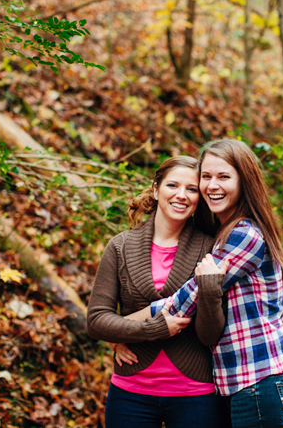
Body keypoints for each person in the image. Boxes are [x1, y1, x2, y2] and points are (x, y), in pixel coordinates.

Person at [150, 139, 283, 428]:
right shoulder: (223, 232)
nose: (212, 185)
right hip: (246, 383)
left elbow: (189, 298)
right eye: (206, 176)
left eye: (224, 176)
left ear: (244, 181)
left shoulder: (245, 235)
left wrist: (133, 323)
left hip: (261, 380)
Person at [86, 156, 227, 428]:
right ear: (155, 189)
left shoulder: (211, 248)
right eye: (172, 185)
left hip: (195, 393)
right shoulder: (120, 247)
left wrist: (210, 289)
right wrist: (152, 329)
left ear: (200, 198)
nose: (181, 195)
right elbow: (96, 322)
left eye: (192, 189)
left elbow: (211, 334)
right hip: (131, 392)